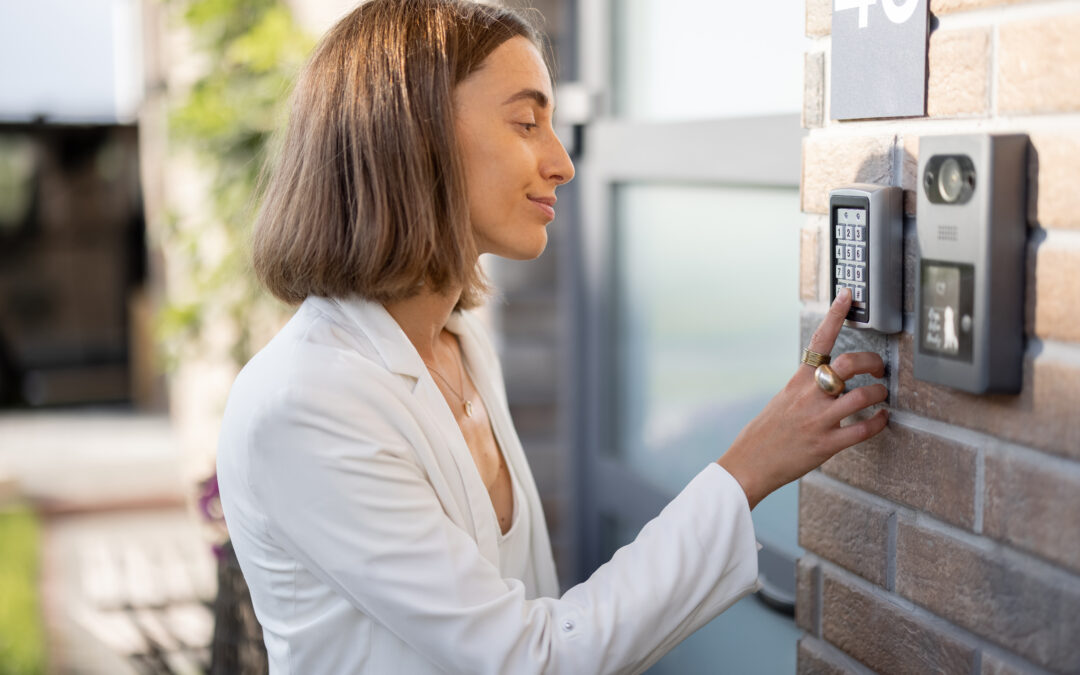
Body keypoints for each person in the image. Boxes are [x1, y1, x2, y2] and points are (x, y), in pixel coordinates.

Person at [215, 1, 890, 673]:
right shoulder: (306, 404)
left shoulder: (458, 346)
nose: (562, 163)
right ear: (413, 137)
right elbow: (530, 657)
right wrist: (748, 468)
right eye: (526, 123)